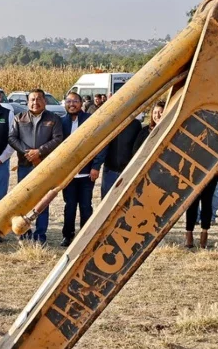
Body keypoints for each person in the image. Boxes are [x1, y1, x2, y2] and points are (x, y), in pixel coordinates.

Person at [8, 90, 66, 243]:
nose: (35, 102)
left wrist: (39, 152)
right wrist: (28, 152)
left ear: (44, 101)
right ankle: (24, 233)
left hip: (44, 167)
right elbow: (12, 138)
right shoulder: (19, 118)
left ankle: (40, 235)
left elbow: (58, 139)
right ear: (28, 102)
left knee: (42, 201)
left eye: (39, 99)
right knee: (24, 200)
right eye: (32, 99)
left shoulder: (53, 119)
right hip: (25, 165)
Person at [58, 91, 105, 247]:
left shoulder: (90, 120)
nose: (72, 104)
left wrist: (96, 166)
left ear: (81, 103)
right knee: (69, 206)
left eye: (75, 101)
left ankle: (86, 236)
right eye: (69, 101)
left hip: (87, 173)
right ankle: (67, 235)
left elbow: (100, 143)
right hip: (69, 175)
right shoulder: (60, 123)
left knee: (86, 206)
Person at [102, 108, 145, 195]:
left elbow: (137, 146)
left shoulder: (135, 124)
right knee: (107, 200)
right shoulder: (110, 124)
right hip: (110, 170)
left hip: (127, 171)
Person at [184, 166, 218, 249]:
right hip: (193, 168)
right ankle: (189, 233)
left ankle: (204, 233)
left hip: (212, 168)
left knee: (207, 201)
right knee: (192, 202)